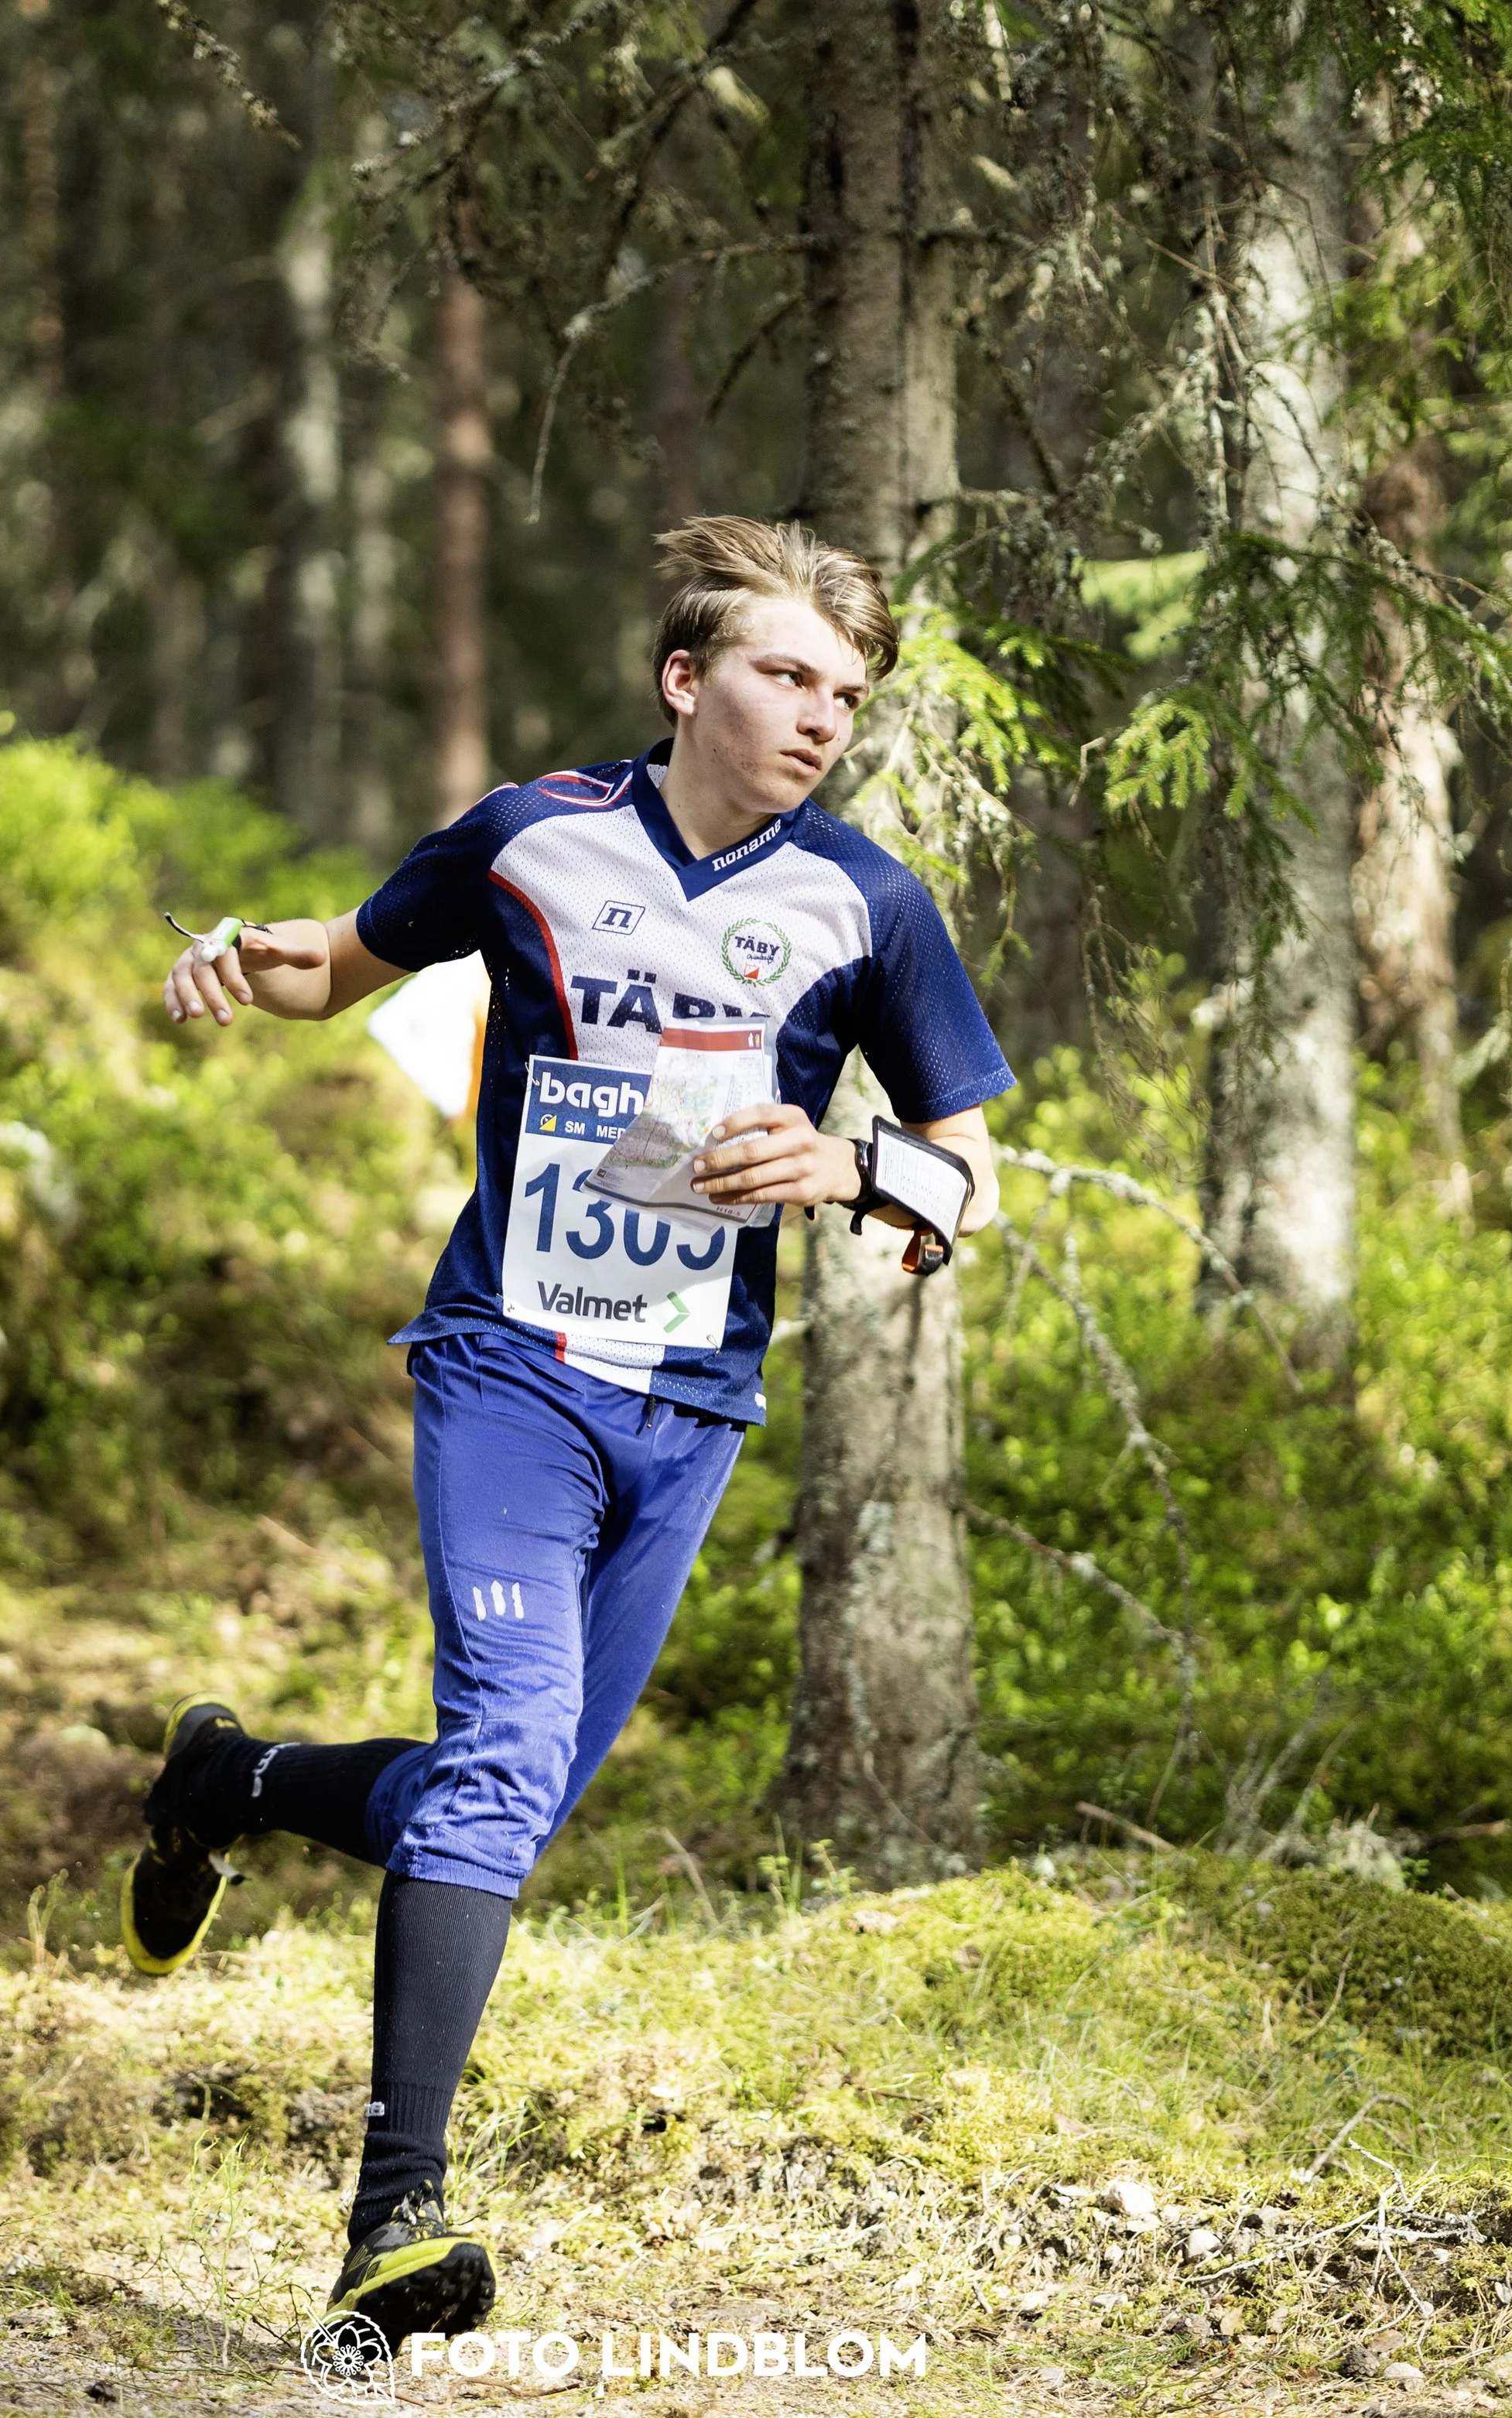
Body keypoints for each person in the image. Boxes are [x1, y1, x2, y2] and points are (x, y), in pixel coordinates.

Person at [123, 515, 1014, 2351]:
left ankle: (229, 1781)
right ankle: (394, 2219)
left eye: (845, 693)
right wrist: (241, 953)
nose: (818, 715)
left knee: (508, 1796)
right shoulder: (532, 835)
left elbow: (966, 1181)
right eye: (785, 673)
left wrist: (852, 1163)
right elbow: (338, 966)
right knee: (506, 1747)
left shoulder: (867, 903)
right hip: (505, 1362)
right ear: (686, 679)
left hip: (690, 1404)